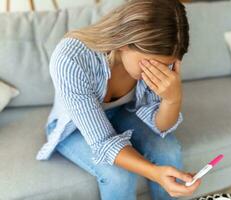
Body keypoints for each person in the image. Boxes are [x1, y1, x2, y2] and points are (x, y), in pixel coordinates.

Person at [36, 0, 202, 199]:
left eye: (165, 65)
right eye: (151, 63)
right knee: (119, 175)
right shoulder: (70, 58)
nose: (158, 71)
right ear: (124, 41)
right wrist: (155, 173)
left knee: (169, 152)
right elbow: (103, 141)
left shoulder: (157, 58)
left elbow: (161, 127)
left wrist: (173, 99)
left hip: (121, 112)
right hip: (74, 127)